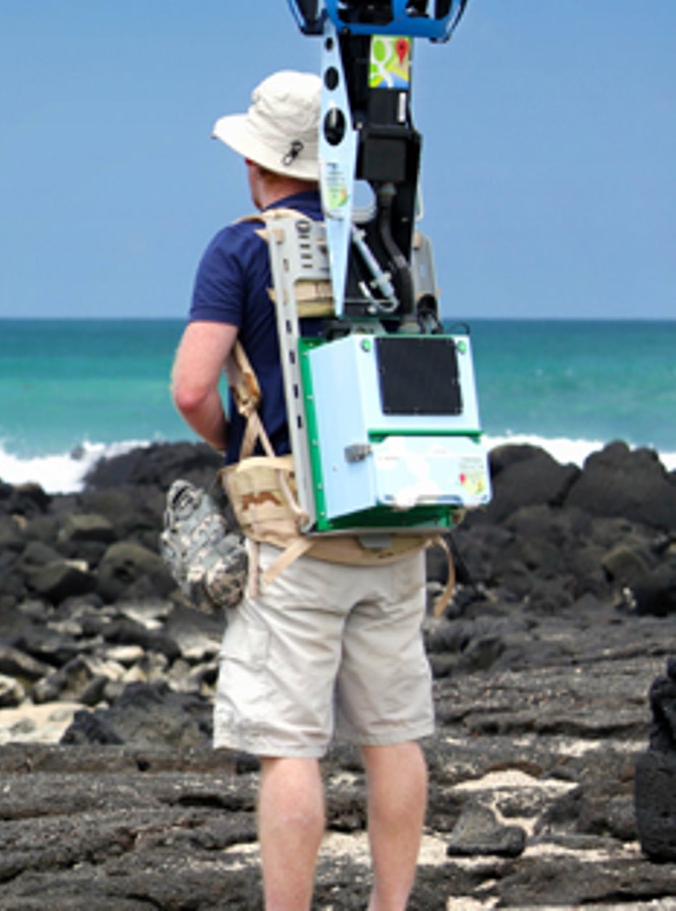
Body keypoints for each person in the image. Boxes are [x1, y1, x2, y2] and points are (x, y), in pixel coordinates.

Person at [171, 70, 434, 911]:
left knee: (291, 747)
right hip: (394, 521)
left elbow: (189, 388)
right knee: (394, 738)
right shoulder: (382, 243)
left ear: (255, 162)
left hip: (294, 536)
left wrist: (236, 444)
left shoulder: (241, 247)